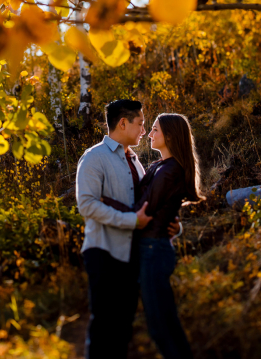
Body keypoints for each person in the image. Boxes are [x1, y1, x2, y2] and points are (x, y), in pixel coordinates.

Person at [75, 100, 180, 359]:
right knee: (103, 326)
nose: (144, 130)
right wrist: (131, 221)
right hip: (104, 251)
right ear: (123, 123)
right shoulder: (94, 157)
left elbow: (145, 207)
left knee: (123, 329)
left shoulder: (136, 162)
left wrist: (170, 224)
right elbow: (87, 205)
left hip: (132, 255)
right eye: (141, 124)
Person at [101, 113, 204, 359]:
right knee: (164, 323)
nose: (149, 134)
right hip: (149, 248)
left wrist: (105, 201)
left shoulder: (170, 171)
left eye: (155, 130)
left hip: (153, 250)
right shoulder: (159, 166)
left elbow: (143, 210)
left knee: (160, 326)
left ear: (169, 136)